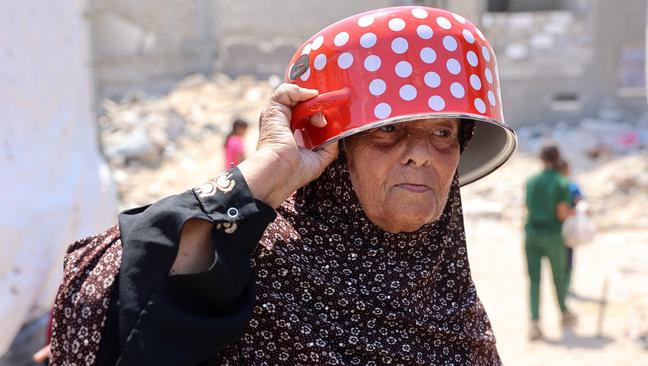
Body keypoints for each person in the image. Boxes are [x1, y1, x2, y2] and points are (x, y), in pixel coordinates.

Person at [47, 7, 517, 365]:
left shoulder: (452, 306)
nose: (421, 153)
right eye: (388, 130)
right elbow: (97, 305)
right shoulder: (254, 271)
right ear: (338, 157)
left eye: (442, 133)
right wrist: (267, 171)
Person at [524, 145, 577, 341]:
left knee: (534, 280)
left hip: (531, 234)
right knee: (559, 277)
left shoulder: (531, 181)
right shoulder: (561, 182)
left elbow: (527, 206)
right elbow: (561, 213)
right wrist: (574, 212)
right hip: (552, 235)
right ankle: (564, 313)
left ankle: (535, 322)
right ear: (557, 159)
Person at [558, 158, 583, 295]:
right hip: (570, 226)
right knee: (568, 258)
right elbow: (580, 201)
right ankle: (566, 286)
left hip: (557, 227)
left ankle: (562, 286)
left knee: (560, 259)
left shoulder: (556, 185)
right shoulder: (571, 186)